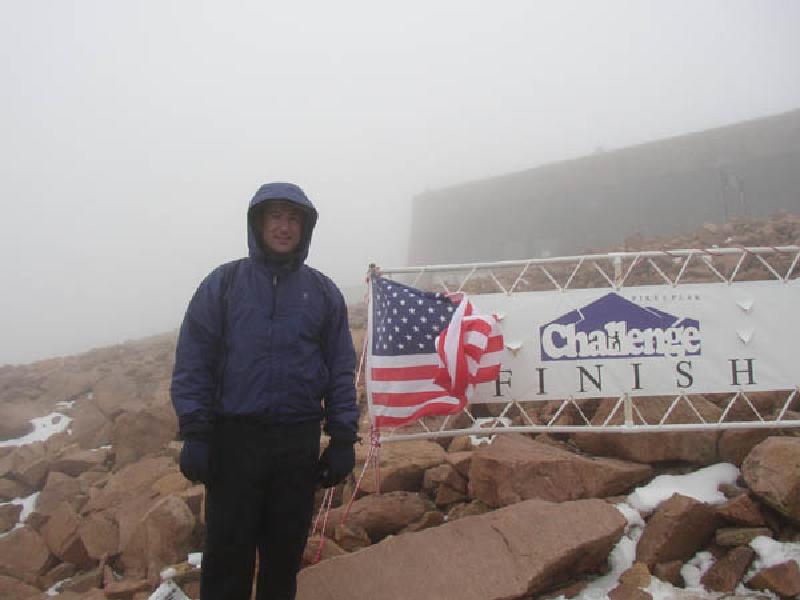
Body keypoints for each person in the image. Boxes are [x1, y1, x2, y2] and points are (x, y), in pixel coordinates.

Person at [170, 182, 359, 600]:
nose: (284, 227)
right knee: (225, 560)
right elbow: (193, 360)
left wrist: (343, 438)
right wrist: (196, 433)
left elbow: (341, 370)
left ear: (305, 228)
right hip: (235, 442)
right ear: (257, 223)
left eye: (293, 218)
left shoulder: (323, 293)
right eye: (275, 216)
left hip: (297, 444)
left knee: (283, 560)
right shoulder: (224, 284)